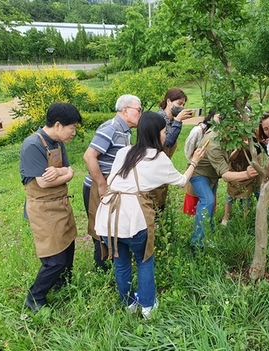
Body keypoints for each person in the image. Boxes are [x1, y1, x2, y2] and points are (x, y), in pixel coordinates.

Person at [94, 112, 205, 318]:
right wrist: (194, 162)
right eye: (164, 131)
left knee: (120, 261)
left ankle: (129, 305)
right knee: (144, 259)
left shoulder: (123, 152)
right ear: (156, 132)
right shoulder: (157, 157)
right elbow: (181, 181)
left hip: (108, 217)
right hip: (133, 217)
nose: (165, 135)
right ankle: (147, 307)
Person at [20, 102, 82, 312]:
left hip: (61, 203)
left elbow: (71, 172)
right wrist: (62, 174)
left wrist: (61, 172)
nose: (74, 132)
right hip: (44, 209)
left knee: (68, 245)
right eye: (72, 127)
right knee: (54, 259)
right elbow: (43, 183)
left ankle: (62, 283)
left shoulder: (57, 143)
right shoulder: (32, 146)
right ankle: (35, 297)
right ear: (58, 125)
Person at [83, 94, 142, 270]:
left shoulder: (125, 131)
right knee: (100, 226)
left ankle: (112, 261)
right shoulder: (110, 128)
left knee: (111, 224)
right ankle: (101, 266)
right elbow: (89, 156)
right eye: (138, 110)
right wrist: (102, 184)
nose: (141, 113)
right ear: (125, 110)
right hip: (99, 185)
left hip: (112, 185)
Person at [189, 118, 258, 249]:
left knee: (210, 205)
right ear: (227, 126)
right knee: (207, 201)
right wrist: (247, 174)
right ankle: (196, 243)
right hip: (199, 174)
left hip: (212, 175)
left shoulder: (224, 136)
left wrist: (237, 150)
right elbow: (226, 175)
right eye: (236, 128)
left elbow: (226, 159)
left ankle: (208, 235)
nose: (238, 132)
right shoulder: (214, 143)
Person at [152, 88, 193, 211]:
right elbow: (168, 143)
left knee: (161, 199)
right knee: (154, 201)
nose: (181, 107)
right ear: (169, 101)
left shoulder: (171, 121)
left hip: (163, 165)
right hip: (154, 167)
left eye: (183, 105)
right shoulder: (159, 119)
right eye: (179, 103)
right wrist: (178, 121)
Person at [183, 110, 220, 216]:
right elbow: (188, 149)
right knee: (203, 197)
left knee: (210, 196)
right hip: (197, 167)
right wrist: (194, 161)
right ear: (212, 116)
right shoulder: (198, 131)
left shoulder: (221, 133)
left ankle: (208, 221)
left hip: (212, 169)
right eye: (219, 117)